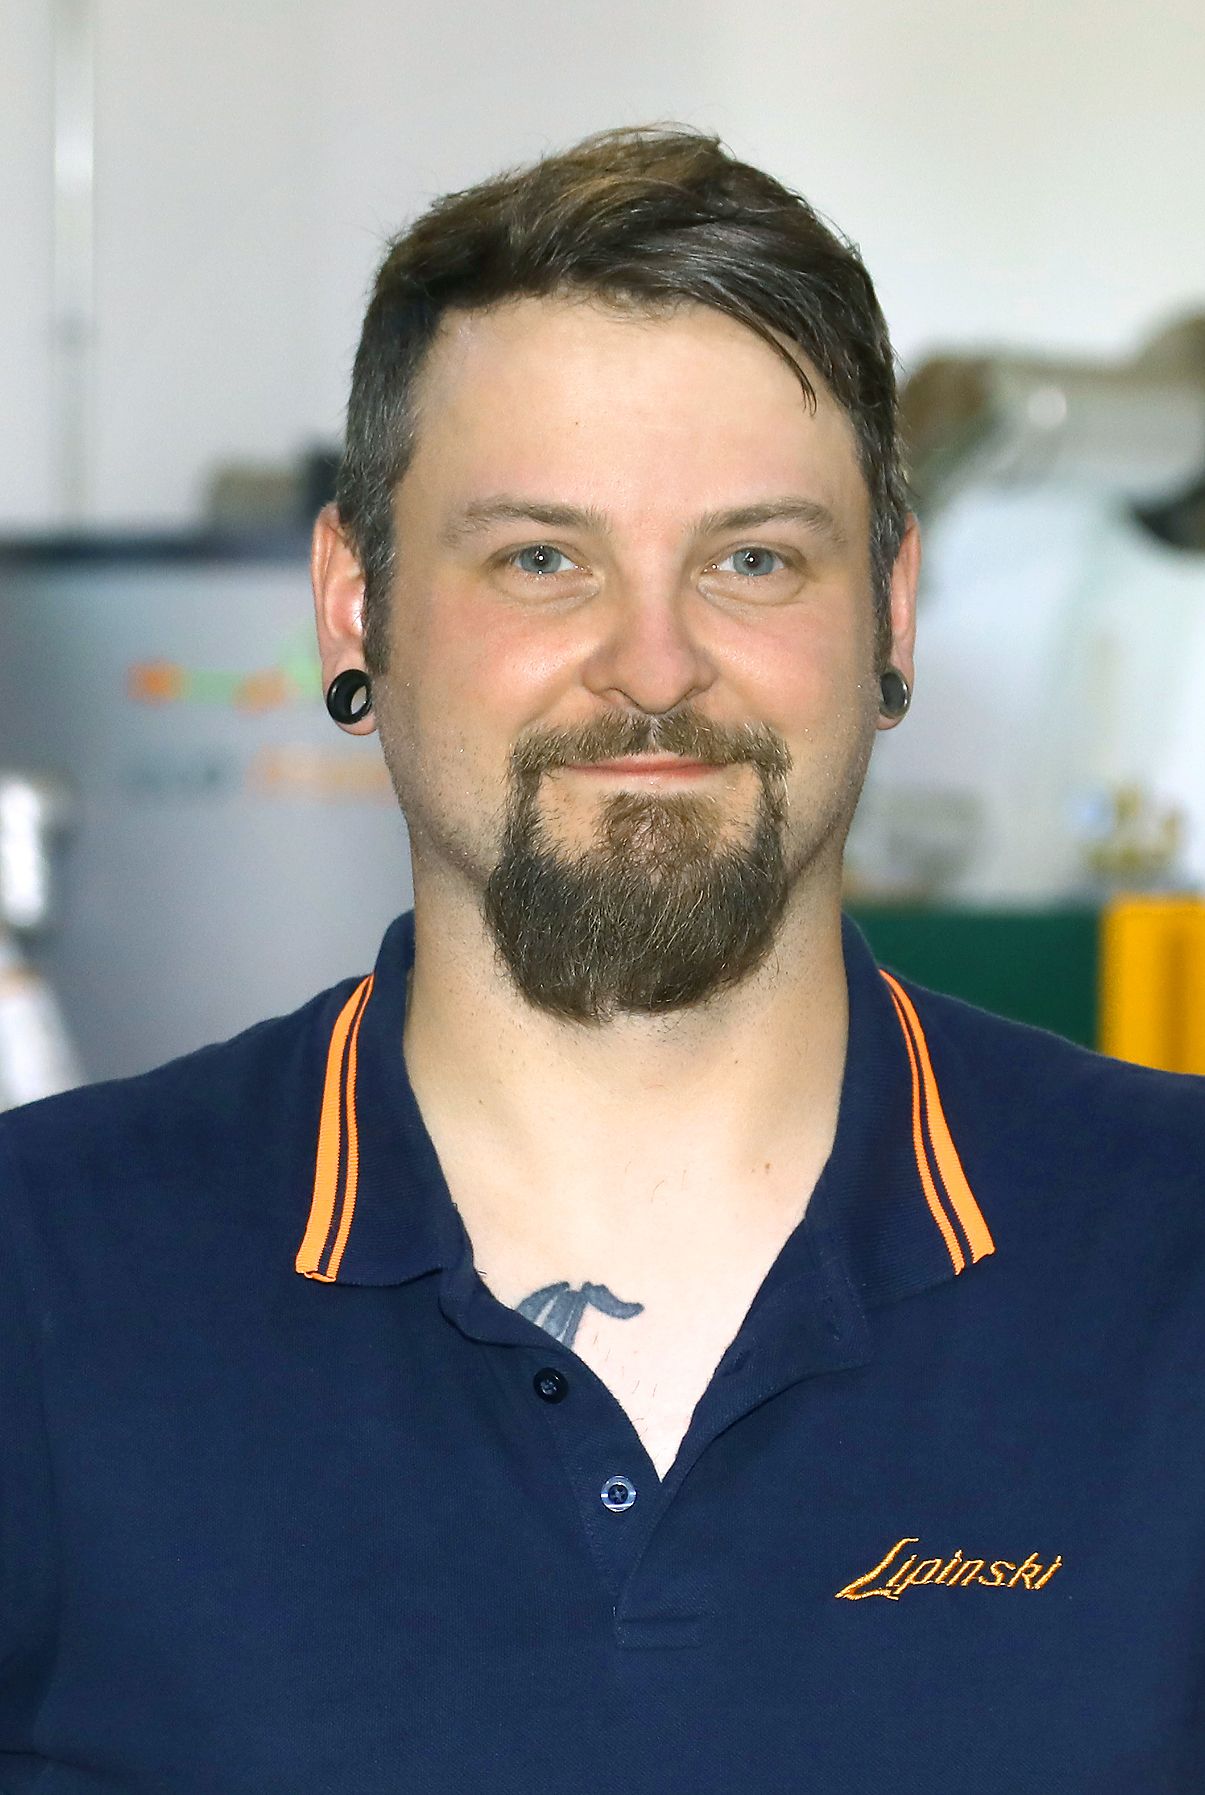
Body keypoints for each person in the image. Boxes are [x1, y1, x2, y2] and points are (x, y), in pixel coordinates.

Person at [1, 123, 1202, 1795]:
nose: (653, 662)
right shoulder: (43, 1275)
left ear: (890, 610)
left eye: (752, 558)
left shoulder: (1171, 1255)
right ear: (354, 606)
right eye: (541, 560)